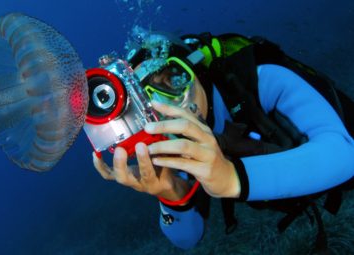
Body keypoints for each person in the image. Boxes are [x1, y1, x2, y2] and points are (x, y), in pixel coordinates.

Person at [92, 31, 354, 250]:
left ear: (196, 68)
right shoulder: (168, 140)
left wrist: (233, 178)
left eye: (174, 78)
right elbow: (187, 239)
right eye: (145, 100)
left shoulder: (260, 79)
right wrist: (171, 196)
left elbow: (345, 154)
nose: (165, 102)